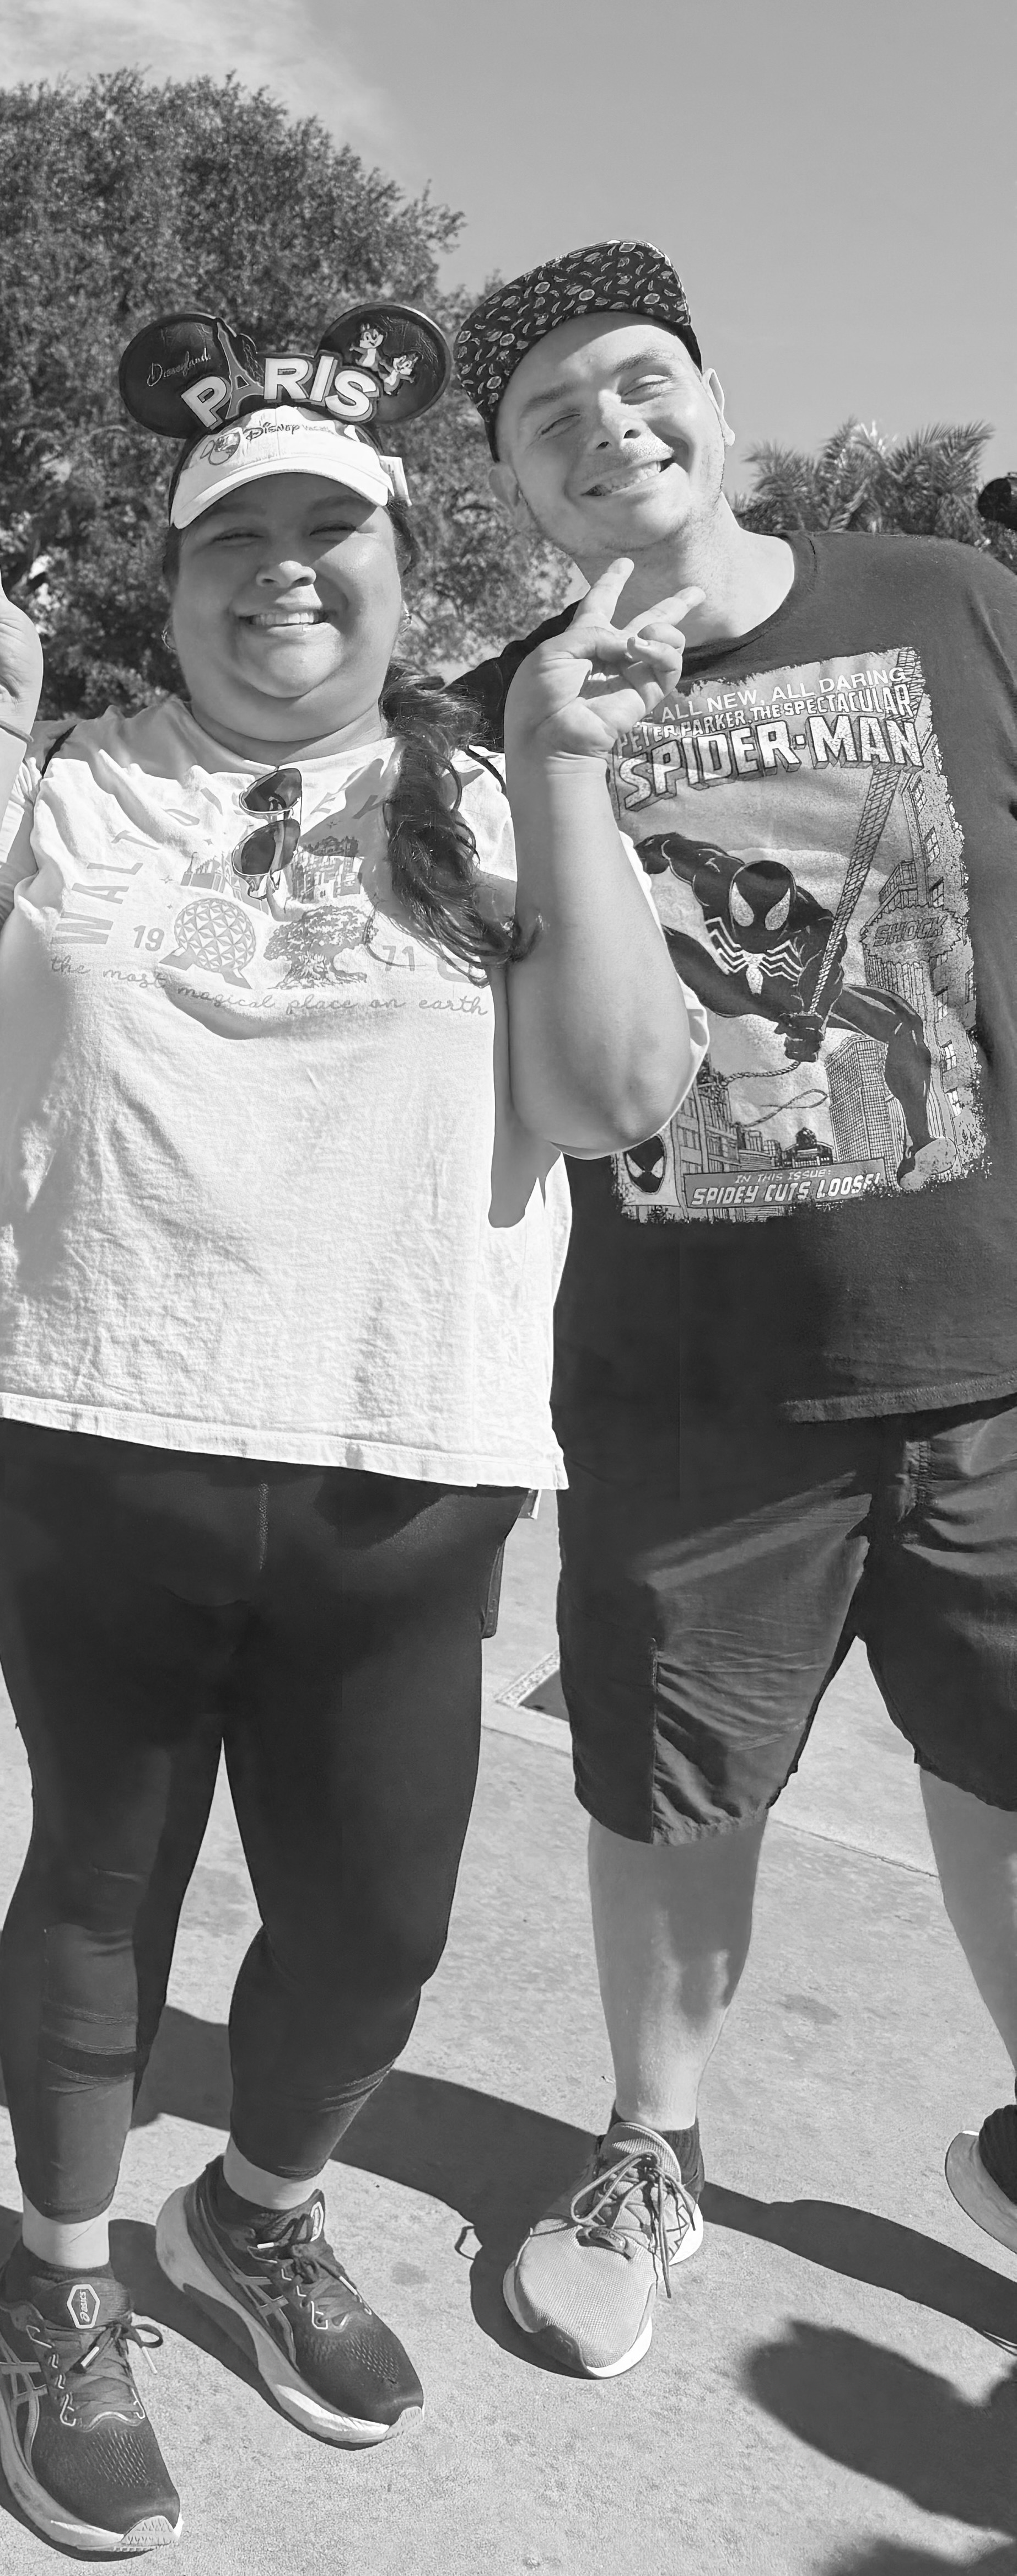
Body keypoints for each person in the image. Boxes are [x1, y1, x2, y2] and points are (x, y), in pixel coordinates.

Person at [0, 299, 705, 2552]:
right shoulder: (72, 777)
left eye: (333, 531)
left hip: (401, 1456)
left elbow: (614, 1097)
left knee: (375, 1926)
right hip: (83, 1423)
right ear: (173, 573)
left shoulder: (499, 793)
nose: (281, 569)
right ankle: (52, 2289)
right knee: (102, 1880)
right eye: (235, 535)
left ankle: (253, 2208)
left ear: (407, 574)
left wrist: (571, 771)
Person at [442, 240, 1017, 2377]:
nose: (607, 428)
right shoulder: (503, 719)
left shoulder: (946, 601)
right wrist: (553, 769)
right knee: (668, 1796)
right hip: (690, 1392)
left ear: (707, 391)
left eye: (635, 377)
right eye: (548, 418)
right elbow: (549, 1081)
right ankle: (649, 2147)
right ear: (514, 486)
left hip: (994, 1353)